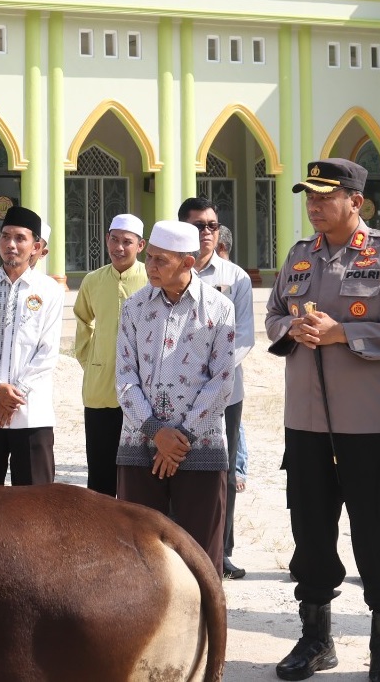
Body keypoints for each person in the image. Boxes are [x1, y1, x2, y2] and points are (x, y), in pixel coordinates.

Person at [265, 158, 380, 682]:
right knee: (310, 531)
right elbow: (271, 316)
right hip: (307, 424)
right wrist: (292, 327)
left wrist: (346, 335)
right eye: (309, 198)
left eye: (325, 197)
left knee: (374, 531)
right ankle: (315, 639)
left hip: (371, 427)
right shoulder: (298, 257)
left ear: (355, 202)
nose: (314, 206)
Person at [115, 220, 237, 570]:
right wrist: (156, 432)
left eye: (160, 260)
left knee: (199, 557)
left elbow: (222, 381)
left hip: (201, 447)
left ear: (188, 262)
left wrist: (179, 439)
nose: (150, 266)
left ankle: (204, 626)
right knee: (140, 555)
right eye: (149, 257)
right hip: (140, 446)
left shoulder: (219, 308)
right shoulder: (134, 307)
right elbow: (125, 377)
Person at [0, 205, 63, 486]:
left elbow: (47, 353)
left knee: (35, 505)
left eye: (20, 238)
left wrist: (12, 398)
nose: (11, 244)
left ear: (36, 246)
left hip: (31, 415)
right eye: (5, 236)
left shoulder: (49, 291)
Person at [180, 197, 255, 580]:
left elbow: (243, 337)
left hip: (224, 394)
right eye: (198, 225)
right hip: (175, 394)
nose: (206, 232)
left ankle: (220, 552)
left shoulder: (236, 278)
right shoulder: (167, 271)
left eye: (211, 225)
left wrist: (211, 377)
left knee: (221, 471)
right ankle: (177, 548)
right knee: (176, 465)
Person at [73, 213, 147, 496]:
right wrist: (90, 360)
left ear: (140, 246)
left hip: (142, 393)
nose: (118, 247)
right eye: (113, 240)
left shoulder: (151, 280)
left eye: (126, 242)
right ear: (106, 240)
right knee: (100, 474)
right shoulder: (93, 280)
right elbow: (83, 320)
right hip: (100, 391)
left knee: (137, 476)